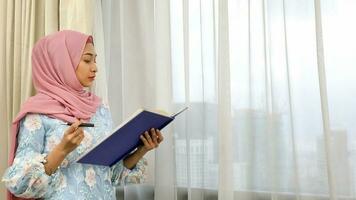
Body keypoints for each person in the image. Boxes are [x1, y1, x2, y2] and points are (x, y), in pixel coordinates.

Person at [2, 30, 163, 200]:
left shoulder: (99, 108)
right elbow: (19, 183)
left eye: (95, 60)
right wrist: (62, 150)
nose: (95, 67)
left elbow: (111, 175)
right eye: (87, 60)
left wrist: (142, 149)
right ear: (61, 62)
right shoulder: (38, 113)